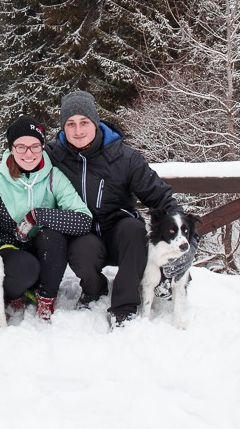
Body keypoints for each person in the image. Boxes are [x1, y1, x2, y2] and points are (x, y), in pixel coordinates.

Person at [45, 90, 180, 328]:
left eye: (84, 122)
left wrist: (186, 235)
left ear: (95, 122)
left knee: (134, 229)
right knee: (83, 250)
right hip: (81, 233)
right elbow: (20, 170)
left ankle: (125, 305)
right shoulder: (53, 157)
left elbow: (159, 196)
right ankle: (93, 289)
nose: (78, 130)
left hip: (118, 232)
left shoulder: (124, 157)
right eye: (71, 124)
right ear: (63, 127)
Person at [0, 115, 93, 322]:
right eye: (21, 147)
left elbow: (84, 220)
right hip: (11, 261)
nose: (28, 153)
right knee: (24, 267)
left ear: (42, 147)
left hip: (48, 261)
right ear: (11, 149)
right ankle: (13, 295)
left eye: (35, 147)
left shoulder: (54, 178)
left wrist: (39, 215)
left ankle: (46, 297)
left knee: (53, 236)